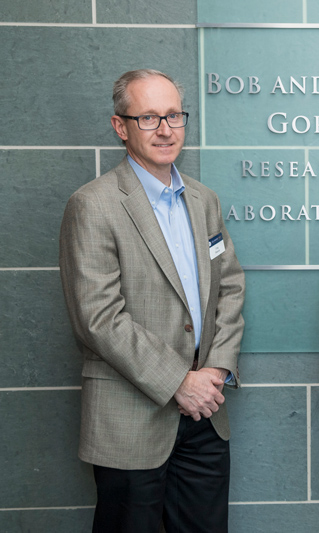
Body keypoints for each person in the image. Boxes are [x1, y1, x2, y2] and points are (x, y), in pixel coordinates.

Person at [59, 69, 245, 533]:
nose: (166, 129)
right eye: (148, 118)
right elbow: (98, 318)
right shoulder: (93, 205)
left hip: (206, 416)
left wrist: (215, 371)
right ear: (120, 127)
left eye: (174, 116)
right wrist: (179, 381)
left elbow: (230, 287)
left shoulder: (204, 201)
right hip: (130, 422)